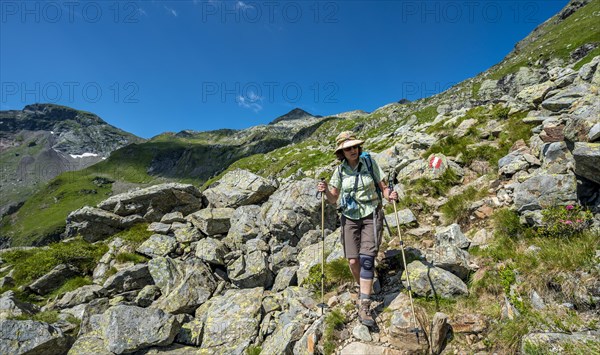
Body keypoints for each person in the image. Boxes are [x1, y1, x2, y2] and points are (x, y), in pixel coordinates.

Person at [317, 131, 397, 327]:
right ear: (341, 152)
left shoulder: (370, 163)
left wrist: (389, 195)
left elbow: (383, 186)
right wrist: (325, 190)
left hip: (371, 214)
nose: (353, 150)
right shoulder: (340, 171)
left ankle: (365, 304)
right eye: (348, 148)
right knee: (353, 260)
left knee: (367, 259)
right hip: (349, 217)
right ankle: (363, 283)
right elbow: (333, 199)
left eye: (355, 147)